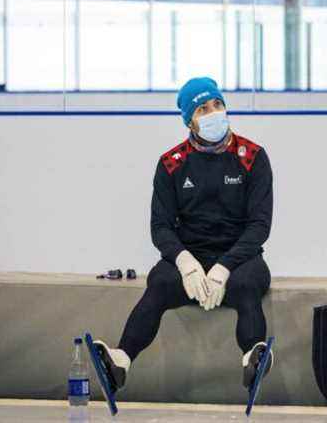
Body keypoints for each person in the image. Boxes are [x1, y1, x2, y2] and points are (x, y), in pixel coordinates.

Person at [91, 77, 275, 396]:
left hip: (241, 259)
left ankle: (254, 357)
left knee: (247, 286)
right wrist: (185, 262)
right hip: (190, 258)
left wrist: (224, 267)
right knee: (160, 283)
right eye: (203, 108)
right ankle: (120, 361)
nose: (214, 112)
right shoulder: (171, 164)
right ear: (189, 120)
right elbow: (160, 226)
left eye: (218, 104)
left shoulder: (253, 157)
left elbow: (259, 226)